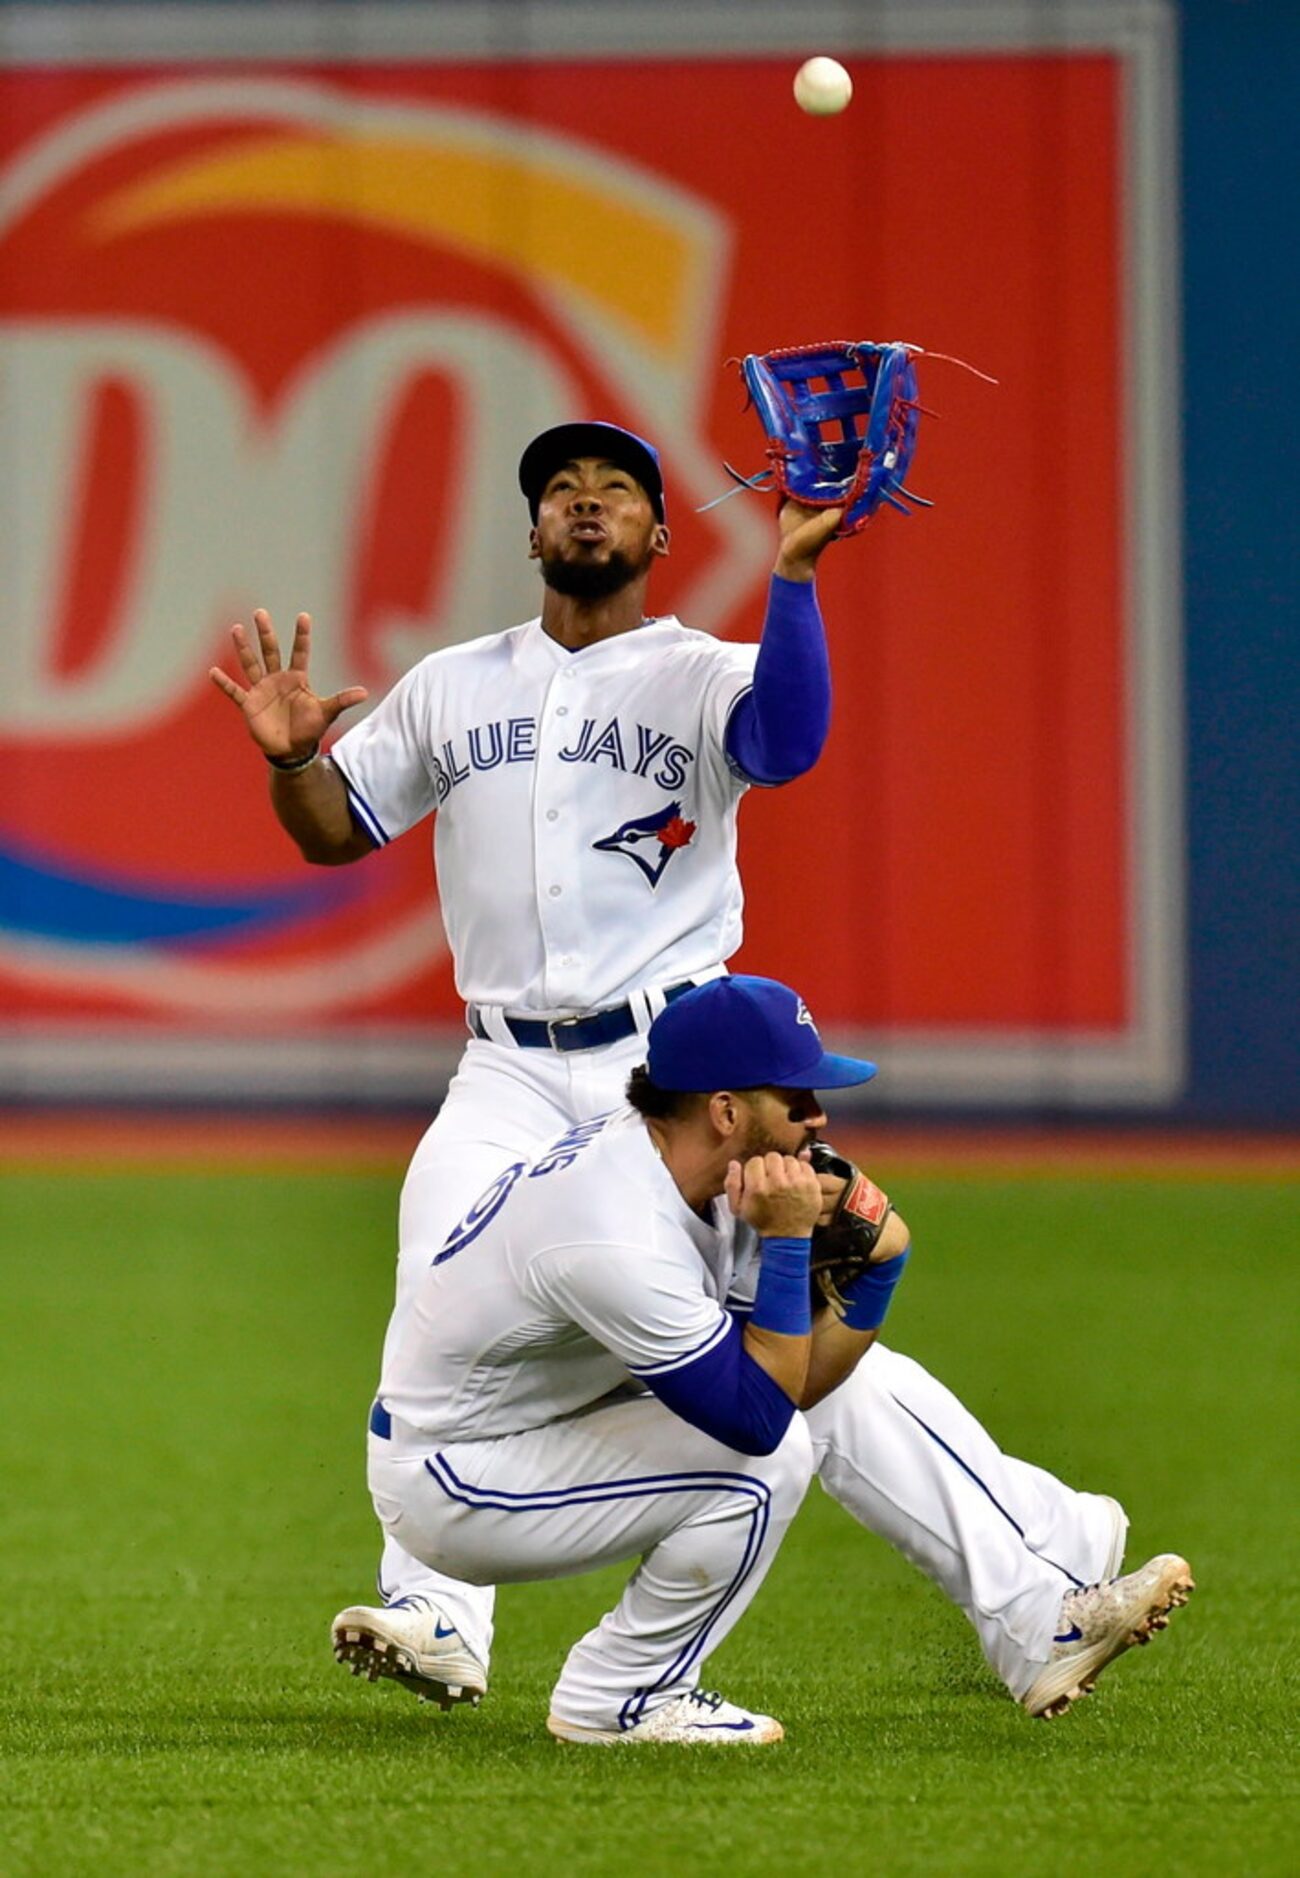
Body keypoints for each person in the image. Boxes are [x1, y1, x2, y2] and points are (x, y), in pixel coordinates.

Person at [210, 420, 1192, 1723]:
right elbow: (341, 827)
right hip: (503, 1065)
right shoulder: (455, 683)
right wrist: (290, 760)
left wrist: (793, 575)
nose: (586, 501)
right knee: (448, 1310)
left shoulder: (700, 672)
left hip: (671, 1073)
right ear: (532, 532)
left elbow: (787, 740)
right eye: (560, 488)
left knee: (773, 1336)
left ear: (661, 533)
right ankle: (442, 1614)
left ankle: (1032, 1582)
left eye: (615, 486)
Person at [350, 975, 893, 1744]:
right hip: (450, 1478)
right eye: (796, 1098)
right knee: (767, 1461)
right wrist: (791, 1243)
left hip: (526, 1429)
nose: (819, 1116)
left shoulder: (693, 1171)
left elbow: (790, 1382)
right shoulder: (613, 1226)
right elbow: (760, 1417)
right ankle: (622, 1698)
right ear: (727, 1111)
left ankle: (622, 1691)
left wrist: (877, 1278)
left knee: (780, 1441)